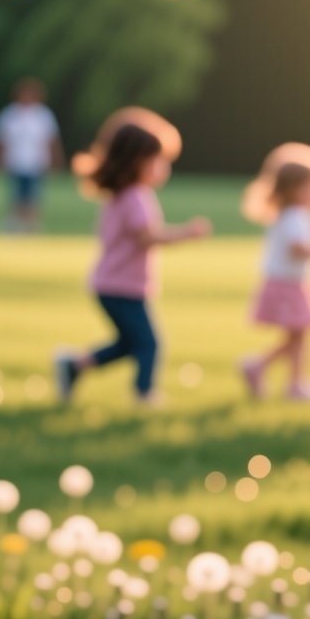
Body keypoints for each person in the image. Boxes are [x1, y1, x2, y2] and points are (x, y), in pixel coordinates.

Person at [54, 110, 210, 405]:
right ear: (136, 161)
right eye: (158, 160)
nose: (163, 168)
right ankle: (145, 394)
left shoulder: (122, 195)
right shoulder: (135, 196)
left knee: (129, 343)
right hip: (120, 287)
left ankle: (73, 366)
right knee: (149, 343)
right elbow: (149, 236)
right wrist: (188, 233)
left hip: (113, 285)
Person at [239, 143, 310, 402]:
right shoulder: (296, 215)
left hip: (285, 282)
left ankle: (275, 374)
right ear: (296, 189)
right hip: (290, 285)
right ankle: (287, 380)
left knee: (298, 336)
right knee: (300, 335)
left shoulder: (288, 213)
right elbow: (299, 248)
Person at [0, 79, 63, 230]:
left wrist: (56, 161)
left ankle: (31, 222)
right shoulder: (10, 114)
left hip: (35, 162)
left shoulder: (43, 115)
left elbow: (51, 140)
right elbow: (1, 140)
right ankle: (16, 221)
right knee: (16, 193)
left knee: (33, 194)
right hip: (15, 161)